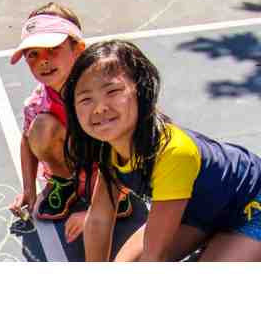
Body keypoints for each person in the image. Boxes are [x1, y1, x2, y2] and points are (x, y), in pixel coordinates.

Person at [62, 39, 261, 261]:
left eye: (113, 91)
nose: (100, 108)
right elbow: (99, 218)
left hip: (250, 204)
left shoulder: (173, 152)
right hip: (197, 210)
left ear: (141, 90)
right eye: (86, 99)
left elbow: (154, 256)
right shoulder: (107, 145)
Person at [8, 3, 131, 243]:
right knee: (40, 128)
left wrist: (103, 203)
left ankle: (114, 191)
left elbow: (131, 143)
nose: (43, 61)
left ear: (78, 49)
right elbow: (27, 140)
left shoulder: (104, 90)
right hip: (79, 157)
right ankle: (66, 182)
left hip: (114, 163)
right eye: (33, 54)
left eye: (53, 49)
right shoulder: (39, 100)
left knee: (109, 136)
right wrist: (28, 189)